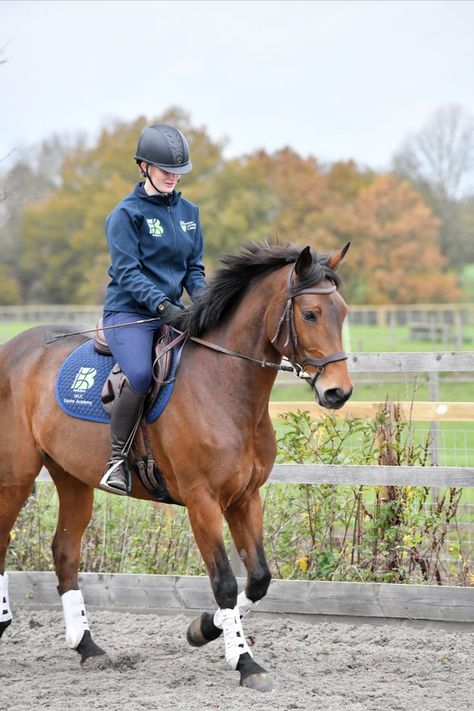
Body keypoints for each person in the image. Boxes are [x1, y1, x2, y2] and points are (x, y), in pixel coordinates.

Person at [100, 124, 207, 495]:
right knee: (143, 375)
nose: (173, 178)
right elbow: (127, 272)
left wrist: (207, 305)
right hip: (129, 314)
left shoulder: (190, 212)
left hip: (174, 311)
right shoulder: (126, 214)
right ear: (143, 166)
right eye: (165, 171)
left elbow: (194, 269)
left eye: (178, 172)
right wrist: (163, 306)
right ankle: (117, 459)